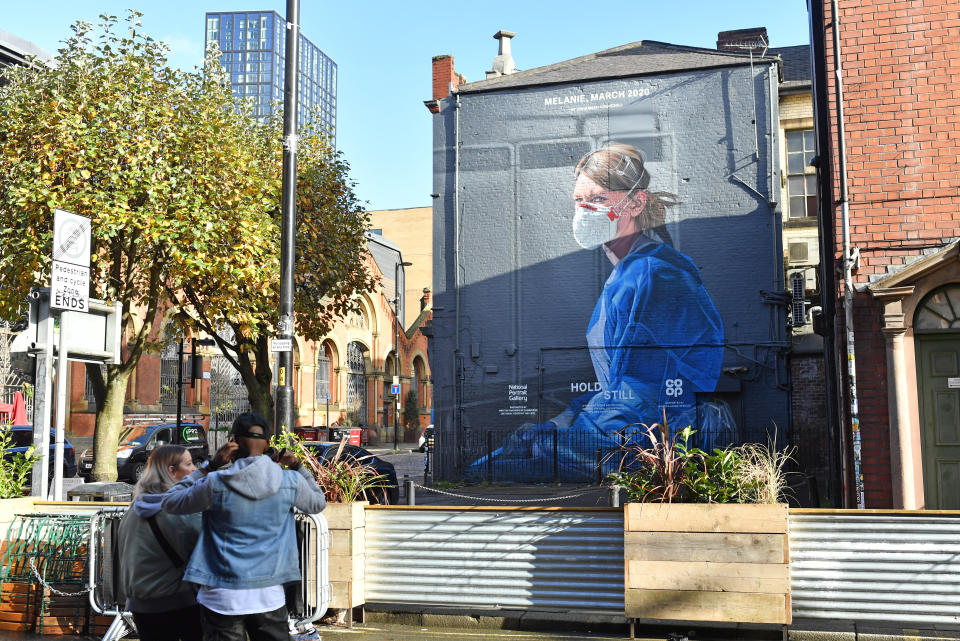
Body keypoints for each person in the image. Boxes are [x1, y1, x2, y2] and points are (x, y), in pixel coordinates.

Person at [470, 142, 727, 481]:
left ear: (635, 203)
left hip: (646, 445)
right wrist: (556, 423)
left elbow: (647, 391)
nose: (586, 211)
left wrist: (559, 438)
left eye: (599, 199)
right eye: (580, 201)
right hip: (621, 431)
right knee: (501, 460)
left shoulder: (656, 275)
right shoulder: (627, 273)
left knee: (484, 474)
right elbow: (617, 388)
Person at [161, 412, 326, 641]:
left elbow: (169, 502)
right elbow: (318, 503)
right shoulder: (290, 482)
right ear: (269, 444)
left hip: (221, 596)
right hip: (269, 594)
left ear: (233, 444)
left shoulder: (215, 483)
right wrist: (297, 466)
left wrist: (210, 465)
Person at [117, 445, 202, 641]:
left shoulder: (135, 508)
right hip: (178, 600)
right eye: (188, 464)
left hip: (141, 604)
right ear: (171, 471)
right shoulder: (180, 510)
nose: (194, 470)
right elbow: (204, 549)